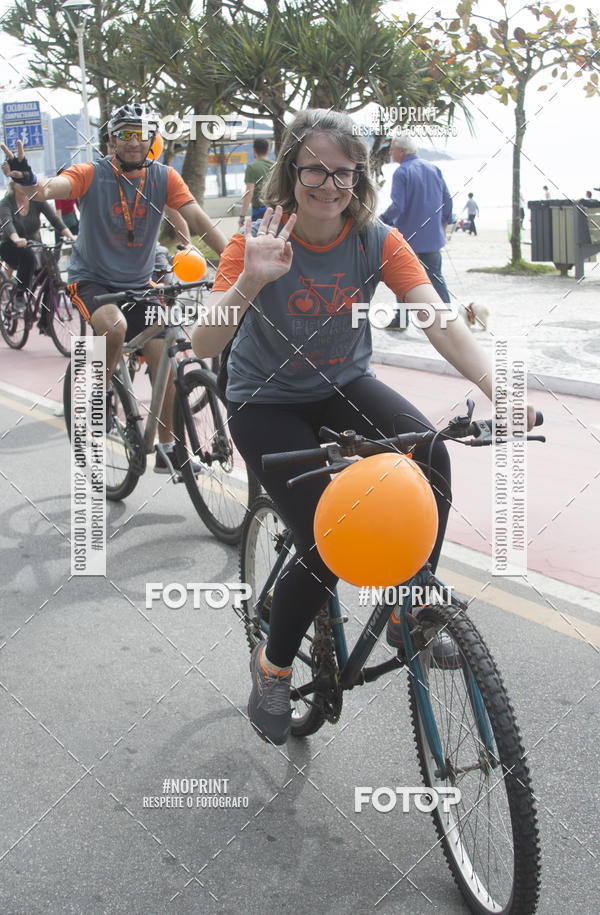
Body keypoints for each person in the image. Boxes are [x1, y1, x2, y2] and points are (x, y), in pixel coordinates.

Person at [191, 108, 539, 745]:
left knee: (431, 451)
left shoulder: (375, 239)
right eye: (315, 170)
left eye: (344, 173)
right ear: (291, 172)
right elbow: (203, 335)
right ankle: (272, 666)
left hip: (342, 385)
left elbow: (438, 319)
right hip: (263, 403)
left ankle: (413, 604)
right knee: (333, 535)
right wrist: (250, 279)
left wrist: (503, 392)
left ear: (362, 178)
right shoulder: (256, 239)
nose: (328, 185)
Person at [2, 102, 227, 471]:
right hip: (92, 279)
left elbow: (198, 219)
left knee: (164, 358)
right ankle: (99, 397)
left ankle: (169, 448)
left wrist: (234, 261)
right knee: (115, 327)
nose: (134, 142)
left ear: (152, 139)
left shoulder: (165, 177)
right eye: (125, 134)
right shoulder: (92, 172)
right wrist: (28, 180)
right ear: (111, 140)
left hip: (139, 283)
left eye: (141, 134)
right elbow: (51, 187)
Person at [0, 177, 76, 316]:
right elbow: (7, 223)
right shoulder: (7, 203)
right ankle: (19, 293)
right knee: (27, 257)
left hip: (34, 245)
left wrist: (71, 237)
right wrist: (16, 239)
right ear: (13, 184)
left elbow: (54, 219)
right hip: (11, 245)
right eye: (20, 181)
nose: (24, 184)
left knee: (51, 276)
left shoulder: (36, 199)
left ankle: (46, 322)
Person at [238, 138, 273, 227]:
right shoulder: (275, 165)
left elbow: (249, 192)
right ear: (268, 150)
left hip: (259, 211)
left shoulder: (251, 167)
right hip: (274, 209)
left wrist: (242, 216)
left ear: (254, 150)